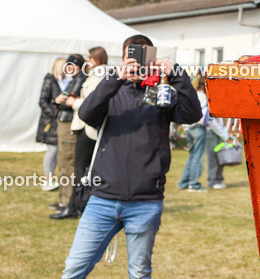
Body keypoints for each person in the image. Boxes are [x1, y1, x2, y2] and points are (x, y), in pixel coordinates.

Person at [60, 34, 201, 278]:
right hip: (103, 198)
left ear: (153, 59)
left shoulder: (161, 92)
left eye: (144, 57)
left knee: (139, 272)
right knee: (74, 268)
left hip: (145, 200)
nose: (138, 63)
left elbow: (192, 115)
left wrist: (177, 73)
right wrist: (116, 77)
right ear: (123, 59)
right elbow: (86, 114)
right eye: (132, 56)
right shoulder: (111, 89)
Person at [54, 47, 109, 219]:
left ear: (98, 59)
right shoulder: (95, 75)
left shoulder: (98, 76)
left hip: (88, 128)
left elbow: (92, 103)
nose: (87, 60)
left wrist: (74, 102)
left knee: (79, 169)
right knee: (81, 169)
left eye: (90, 57)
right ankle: (76, 205)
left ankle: (74, 206)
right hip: (85, 126)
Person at [52, 54, 87, 218]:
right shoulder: (75, 79)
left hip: (69, 123)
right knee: (62, 163)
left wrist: (59, 101)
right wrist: (59, 101)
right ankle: (63, 200)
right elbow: (62, 99)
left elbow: (67, 101)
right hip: (64, 122)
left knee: (68, 163)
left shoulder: (80, 79)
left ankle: (68, 202)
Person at [38, 57, 67, 192]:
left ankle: (51, 177)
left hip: (59, 121)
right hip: (51, 122)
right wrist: (55, 113)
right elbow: (43, 101)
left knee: (56, 151)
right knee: (52, 150)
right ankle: (48, 179)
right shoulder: (50, 80)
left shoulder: (65, 81)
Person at [177, 75, 209, 192]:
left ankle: (183, 182)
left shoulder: (193, 94)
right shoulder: (204, 97)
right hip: (198, 128)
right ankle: (194, 184)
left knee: (192, 156)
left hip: (189, 128)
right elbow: (204, 116)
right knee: (197, 157)